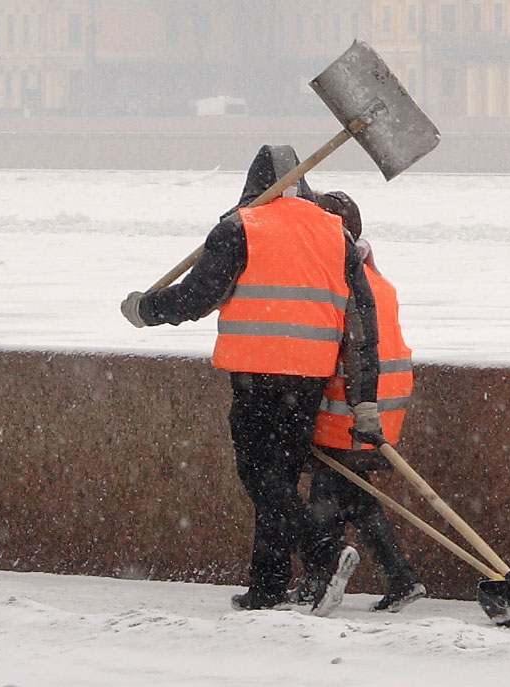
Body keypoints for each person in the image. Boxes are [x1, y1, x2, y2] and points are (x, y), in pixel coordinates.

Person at [120, 144, 384, 615]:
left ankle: (322, 556)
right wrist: (365, 400)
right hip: (309, 379)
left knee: (260, 477)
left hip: (258, 376)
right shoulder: (335, 233)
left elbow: (197, 298)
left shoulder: (241, 227)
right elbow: (361, 323)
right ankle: (268, 584)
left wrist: (145, 309)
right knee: (279, 478)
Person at [297, 212, 426, 613]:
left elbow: (337, 351)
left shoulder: (342, 284)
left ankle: (321, 580)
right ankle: (399, 578)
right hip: (385, 404)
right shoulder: (379, 281)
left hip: (348, 408)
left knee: (329, 495)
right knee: (352, 493)